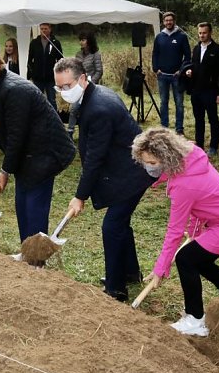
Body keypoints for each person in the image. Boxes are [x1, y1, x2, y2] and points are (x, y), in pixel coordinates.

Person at [132, 127, 219, 336]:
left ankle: (194, 319)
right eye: (145, 162)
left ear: (167, 158)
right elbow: (200, 204)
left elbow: (174, 231)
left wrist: (160, 269)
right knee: (200, 260)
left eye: (153, 163)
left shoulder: (184, 184)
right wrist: (194, 233)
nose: (149, 168)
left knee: (186, 259)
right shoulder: (189, 159)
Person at [54, 57, 154, 302]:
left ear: (82, 79)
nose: (64, 92)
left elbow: (94, 159)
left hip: (132, 173)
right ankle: (130, 272)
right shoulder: (94, 95)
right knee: (120, 224)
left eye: (67, 86)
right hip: (127, 167)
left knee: (112, 227)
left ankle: (116, 287)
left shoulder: (98, 108)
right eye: (59, 88)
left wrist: (80, 196)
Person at [0, 49, 75, 253]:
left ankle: (36, 258)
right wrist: (9, 168)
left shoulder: (14, 90)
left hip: (45, 154)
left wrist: (5, 170)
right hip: (28, 155)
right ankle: (27, 251)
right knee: (22, 205)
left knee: (33, 207)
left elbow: (16, 136)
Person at [183, 23, 219, 156]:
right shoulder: (196, 49)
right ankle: (200, 145)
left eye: (204, 33)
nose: (202, 35)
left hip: (211, 91)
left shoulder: (218, 51)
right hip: (196, 91)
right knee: (198, 119)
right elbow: (194, 66)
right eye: (200, 33)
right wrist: (189, 72)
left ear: (210, 33)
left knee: (213, 119)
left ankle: (214, 146)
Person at [152, 12, 191, 134]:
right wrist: (155, 68)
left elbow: (188, 56)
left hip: (177, 76)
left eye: (170, 20)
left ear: (174, 21)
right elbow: (155, 54)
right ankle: (164, 127)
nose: (168, 22)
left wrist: (181, 70)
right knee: (163, 102)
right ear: (163, 22)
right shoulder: (159, 37)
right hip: (162, 75)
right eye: (166, 20)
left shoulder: (181, 36)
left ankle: (179, 128)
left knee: (179, 103)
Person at [67, 30, 103, 136]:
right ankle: (70, 132)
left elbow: (99, 71)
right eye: (80, 40)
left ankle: (91, 132)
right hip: (79, 87)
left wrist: (91, 82)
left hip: (92, 87)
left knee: (90, 110)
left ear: (89, 41)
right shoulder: (78, 54)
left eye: (83, 40)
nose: (81, 42)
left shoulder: (95, 54)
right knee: (74, 108)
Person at [27, 23, 64, 109]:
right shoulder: (34, 43)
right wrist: (31, 73)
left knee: (51, 100)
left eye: (45, 29)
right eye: (42, 29)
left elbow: (60, 59)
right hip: (38, 78)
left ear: (50, 29)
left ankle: (54, 120)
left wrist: (58, 74)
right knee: (37, 99)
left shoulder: (55, 43)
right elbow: (29, 59)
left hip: (50, 78)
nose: (43, 31)